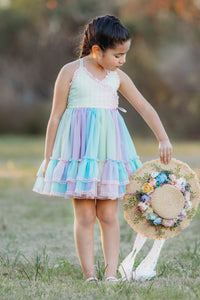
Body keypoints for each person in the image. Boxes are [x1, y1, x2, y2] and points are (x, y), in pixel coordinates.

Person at [32, 15, 173, 282]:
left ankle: (111, 274)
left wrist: (163, 138)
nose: (122, 60)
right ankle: (89, 275)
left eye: (125, 54)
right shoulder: (71, 72)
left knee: (108, 214)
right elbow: (55, 116)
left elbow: (144, 106)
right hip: (81, 154)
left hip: (110, 155)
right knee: (84, 214)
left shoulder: (116, 77)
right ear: (97, 50)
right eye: (118, 55)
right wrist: (49, 157)